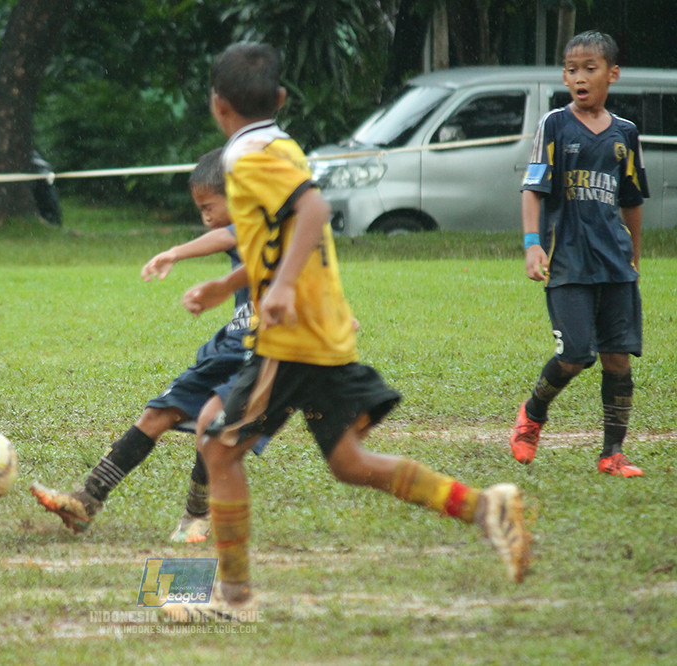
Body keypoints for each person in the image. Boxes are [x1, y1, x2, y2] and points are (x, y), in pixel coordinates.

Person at [164, 43, 531, 622]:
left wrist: (279, 290)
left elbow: (312, 211)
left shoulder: (248, 157)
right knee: (349, 463)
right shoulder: (278, 145)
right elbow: (279, 237)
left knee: (215, 444)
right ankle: (486, 508)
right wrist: (225, 284)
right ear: (281, 100)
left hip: (291, 337)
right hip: (322, 332)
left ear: (216, 105)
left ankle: (231, 599)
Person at [30, 148, 261, 543]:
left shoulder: (261, 229)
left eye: (209, 206)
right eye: (199, 208)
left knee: (213, 424)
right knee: (157, 414)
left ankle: (197, 517)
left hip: (263, 357)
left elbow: (229, 233)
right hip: (231, 348)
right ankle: (88, 500)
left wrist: (175, 251)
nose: (204, 216)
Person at [511, 31, 647, 477]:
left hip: (615, 265)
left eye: (590, 68)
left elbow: (631, 202)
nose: (580, 77)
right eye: (572, 69)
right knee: (575, 354)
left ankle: (612, 452)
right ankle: (532, 415)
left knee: (617, 357)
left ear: (613, 74)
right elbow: (533, 190)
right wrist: (533, 246)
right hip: (569, 262)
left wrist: (635, 258)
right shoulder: (555, 124)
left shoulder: (625, 134)